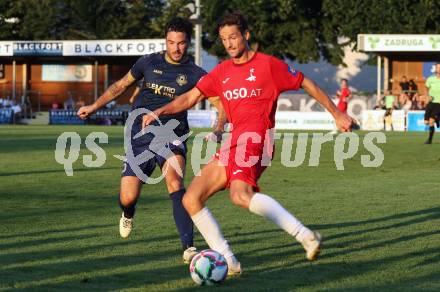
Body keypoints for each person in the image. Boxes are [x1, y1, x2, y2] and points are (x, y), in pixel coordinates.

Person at [142, 12, 355, 275]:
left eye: (233, 37)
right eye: (224, 39)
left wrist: (337, 113)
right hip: (234, 141)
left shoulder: (268, 65)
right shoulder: (221, 72)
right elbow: (189, 98)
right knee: (191, 198)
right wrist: (159, 111)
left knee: (240, 195)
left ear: (246, 35)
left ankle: (306, 236)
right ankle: (229, 262)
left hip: (258, 139)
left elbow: (305, 82)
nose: (229, 44)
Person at [77, 17, 227, 262]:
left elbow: (220, 104)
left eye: (180, 43)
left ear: (187, 43)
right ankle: (128, 212)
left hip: (172, 135)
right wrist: (94, 106)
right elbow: (120, 86)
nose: (175, 48)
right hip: (140, 135)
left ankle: (188, 247)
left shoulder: (195, 73)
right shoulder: (148, 62)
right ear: (165, 42)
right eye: (171, 42)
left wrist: (219, 127)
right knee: (128, 197)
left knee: (175, 183)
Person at [423, 63, 440, 144]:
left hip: (439, 103)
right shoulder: (430, 79)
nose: (439, 69)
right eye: (438, 67)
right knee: (426, 122)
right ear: (435, 69)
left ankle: (429, 140)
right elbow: (426, 88)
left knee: (431, 121)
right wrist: (427, 96)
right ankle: (437, 119)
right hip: (430, 103)